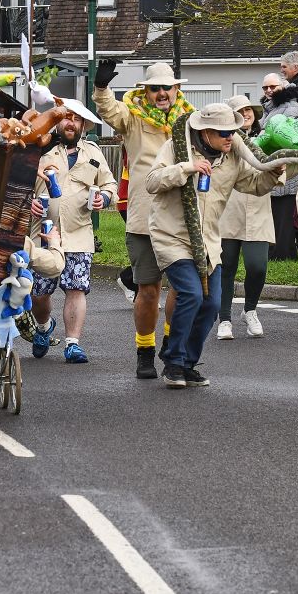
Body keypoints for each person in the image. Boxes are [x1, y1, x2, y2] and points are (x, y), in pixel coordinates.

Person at [146, 102, 286, 388]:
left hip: (209, 240)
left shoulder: (231, 156)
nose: (229, 138)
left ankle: (187, 363)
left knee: (210, 304)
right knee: (192, 295)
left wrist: (274, 172)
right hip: (172, 236)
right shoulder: (177, 147)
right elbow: (152, 181)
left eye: (233, 132)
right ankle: (172, 361)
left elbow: (254, 185)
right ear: (206, 132)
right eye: (223, 133)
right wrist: (186, 168)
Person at [94, 60, 190, 378]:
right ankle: (145, 350)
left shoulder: (190, 122)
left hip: (181, 219)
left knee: (182, 288)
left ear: (177, 90)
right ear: (145, 92)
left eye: (167, 87)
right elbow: (111, 112)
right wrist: (101, 87)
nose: (161, 93)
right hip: (144, 218)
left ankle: (171, 345)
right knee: (148, 289)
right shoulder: (133, 118)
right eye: (155, 88)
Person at [28, 110, 117, 363]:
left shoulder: (93, 153)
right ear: (58, 122)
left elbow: (110, 185)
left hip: (79, 234)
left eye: (76, 119)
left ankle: (72, 344)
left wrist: (105, 197)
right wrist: (30, 202)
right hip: (45, 236)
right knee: (39, 293)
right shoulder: (39, 152)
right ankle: (44, 327)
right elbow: (17, 187)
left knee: (76, 289)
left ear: (83, 125)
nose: (71, 123)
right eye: (66, 118)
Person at [217, 95, 274, 339]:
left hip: (259, 210)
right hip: (229, 210)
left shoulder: (267, 141)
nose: (247, 113)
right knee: (226, 267)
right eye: (240, 110)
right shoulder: (223, 143)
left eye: (249, 109)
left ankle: (250, 310)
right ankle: (225, 319)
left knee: (257, 266)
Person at [262, 67, 298, 260]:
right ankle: (277, 253)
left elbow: (293, 138)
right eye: (265, 88)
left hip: (286, 166)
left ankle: (284, 254)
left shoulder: (292, 108)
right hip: (272, 164)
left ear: (283, 86)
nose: (269, 91)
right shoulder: (269, 108)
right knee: (275, 214)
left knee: (284, 214)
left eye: (273, 86)